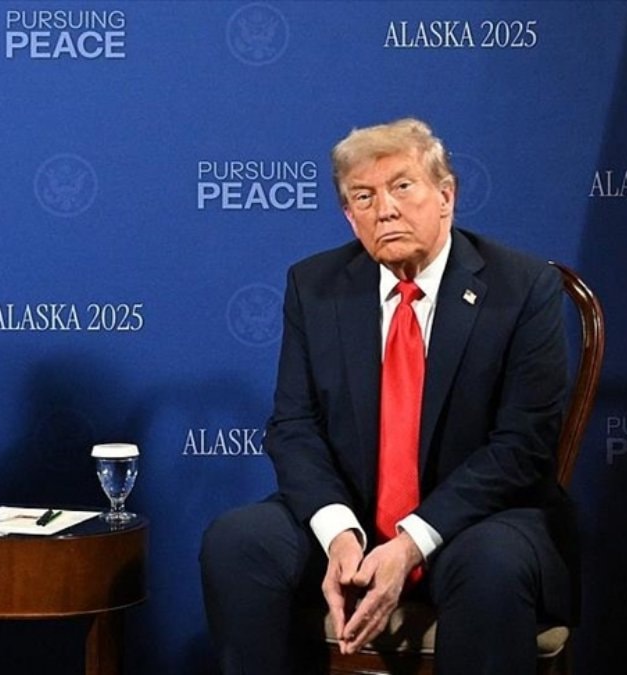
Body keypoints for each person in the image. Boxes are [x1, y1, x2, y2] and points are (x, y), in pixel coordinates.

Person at [200, 118, 576, 674]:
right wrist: (339, 535)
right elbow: (294, 426)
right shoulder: (315, 286)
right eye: (364, 197)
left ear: (446, 196)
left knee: (491, 564)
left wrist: (410, 543)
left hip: (476, 522)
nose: (386, 210)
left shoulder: (521, 288)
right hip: (353, 516)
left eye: (402, 186)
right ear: (349, 217)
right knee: (237, 542)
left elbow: (523, 446)